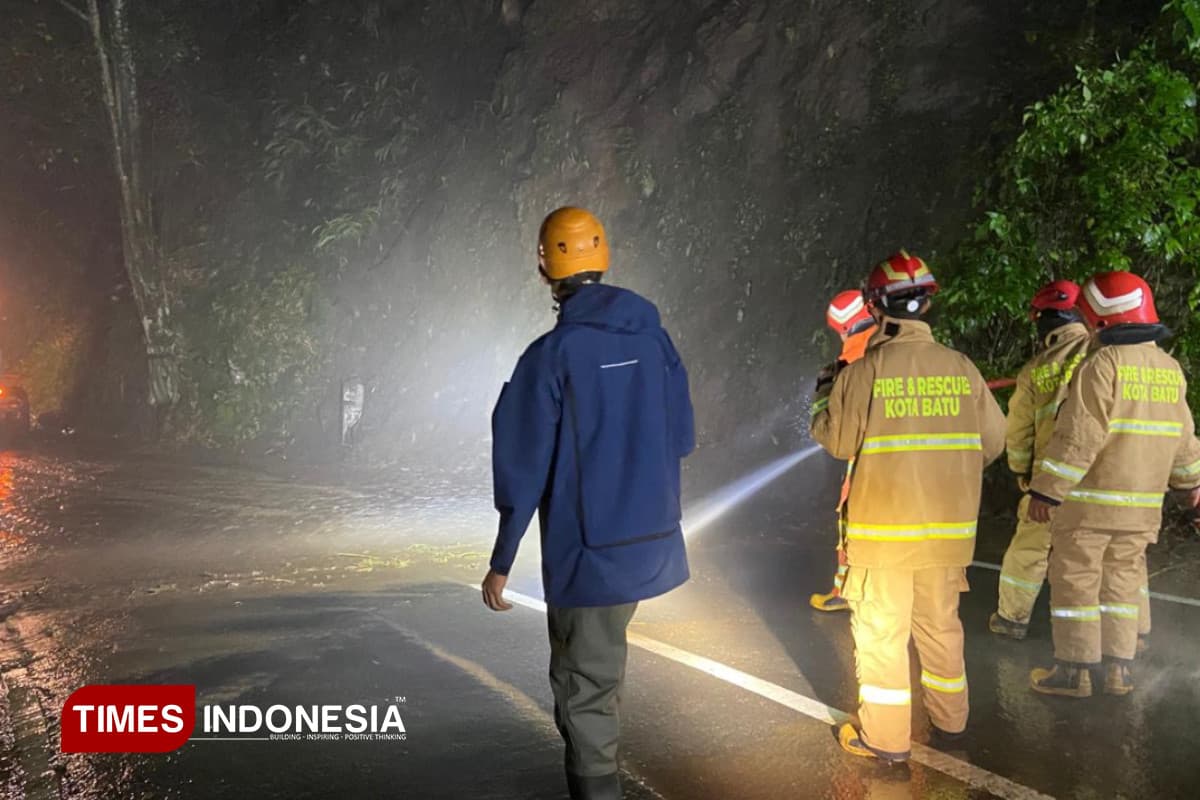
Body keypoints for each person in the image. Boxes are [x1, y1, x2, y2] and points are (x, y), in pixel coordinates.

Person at [481, 206, 695, 800]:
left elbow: (522, 466)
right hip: (649, 543)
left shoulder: (551, 356)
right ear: (603, 257)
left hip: (589, 553)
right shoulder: (654, 337)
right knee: (602, 670)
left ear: (545, 267)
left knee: (583, 687)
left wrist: (503, 559)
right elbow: (682, 437)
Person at [811, 250, 1005, 763]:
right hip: (947, 539)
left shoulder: (866, 372)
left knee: (882, 637)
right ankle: (952, 721)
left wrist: (824, 392)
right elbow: (994, 442)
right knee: (940, 628)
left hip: (883, 539)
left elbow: (836, 440)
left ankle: (886, 741)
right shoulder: (962, 368)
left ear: (877, 309)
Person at [1027, 271, 1200, 697]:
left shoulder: (1101, 365)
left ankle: (1075, 672)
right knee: (1123, 583)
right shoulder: (1169, 369)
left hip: (1090, 505)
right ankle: (1118, 671)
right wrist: (1192, 486)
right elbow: (1183, 439)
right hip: (1143, 507)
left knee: (1077, 582)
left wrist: (1047, 490)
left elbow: (1078, 438)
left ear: (1101, 321)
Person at [989, 281, 1092, 639]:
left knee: (1029, 550)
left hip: (1048, 481)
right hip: (1101, 478)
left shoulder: (1036, 369)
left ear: (1042, 322)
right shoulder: (1107, 355)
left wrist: (1021, 473)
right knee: (1100, 556)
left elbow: (1018, 433)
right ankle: (1124, 638)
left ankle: (1011, 620)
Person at [810, 289, 878, 612]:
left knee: (852, 522)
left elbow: (833, 435)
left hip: (869, 457)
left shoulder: (849, 361)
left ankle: (848, 592)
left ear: (841, 328)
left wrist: (824, 389)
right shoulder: (899, 346)